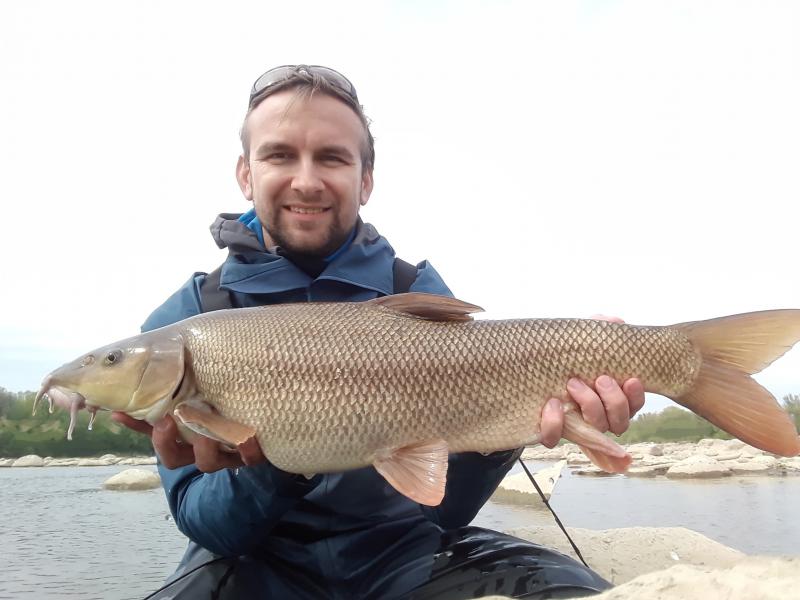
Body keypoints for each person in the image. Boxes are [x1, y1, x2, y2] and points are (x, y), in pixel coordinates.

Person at [113, 65, 645, 599]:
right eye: (279, 155)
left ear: (365, 180)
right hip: (256, 565)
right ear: (245, 174)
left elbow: (447, 509)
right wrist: (277, 460)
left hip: (405, 552)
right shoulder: (184, 323)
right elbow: (209, 529)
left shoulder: (415, 291)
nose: (306, 181)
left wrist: (506, 431)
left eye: (332, 157)